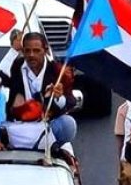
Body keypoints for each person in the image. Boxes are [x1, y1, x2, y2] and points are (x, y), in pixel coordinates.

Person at [5, 33, 80, 166]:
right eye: (27, 51)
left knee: (68, 124)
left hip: (46, 124)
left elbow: (71, 101)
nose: (31, 55)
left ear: (45, 51)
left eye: (36, 51)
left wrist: (58, 98)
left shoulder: (57, 71)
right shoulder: (17, 66)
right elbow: (2, 80)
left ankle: (45, 146)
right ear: (22, 51)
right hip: (20, 125)